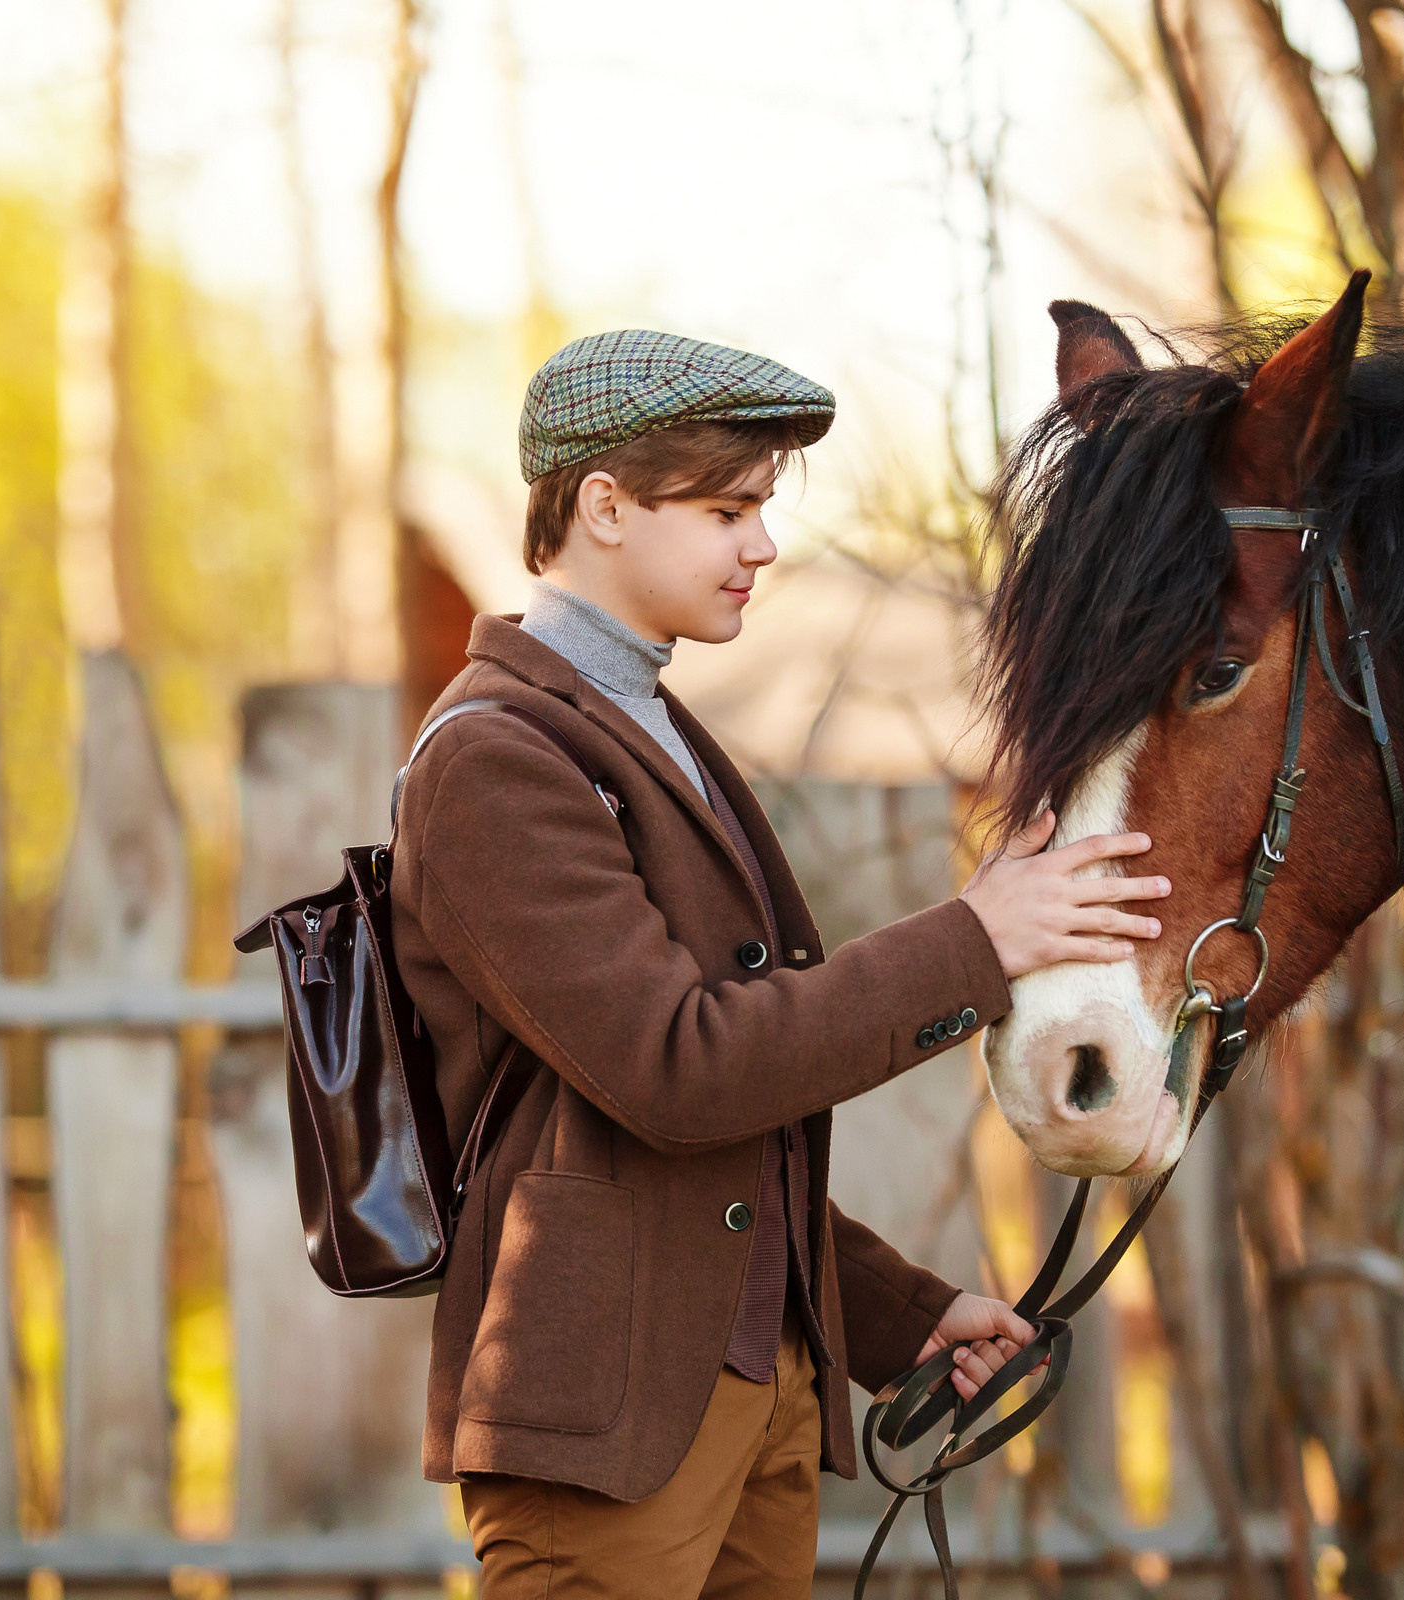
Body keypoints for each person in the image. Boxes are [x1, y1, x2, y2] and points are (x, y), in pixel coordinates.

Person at [390, 329, 1170, 1600]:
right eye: (725, 508)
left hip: (762, 1398)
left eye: (760, 509)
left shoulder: (657, 728)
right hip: (608, 1424)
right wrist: (977, 942)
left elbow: (720, 1152)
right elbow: (676, 1069)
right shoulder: (497, 758)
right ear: (603, 505)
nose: (761, 543)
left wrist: (894, 1314)